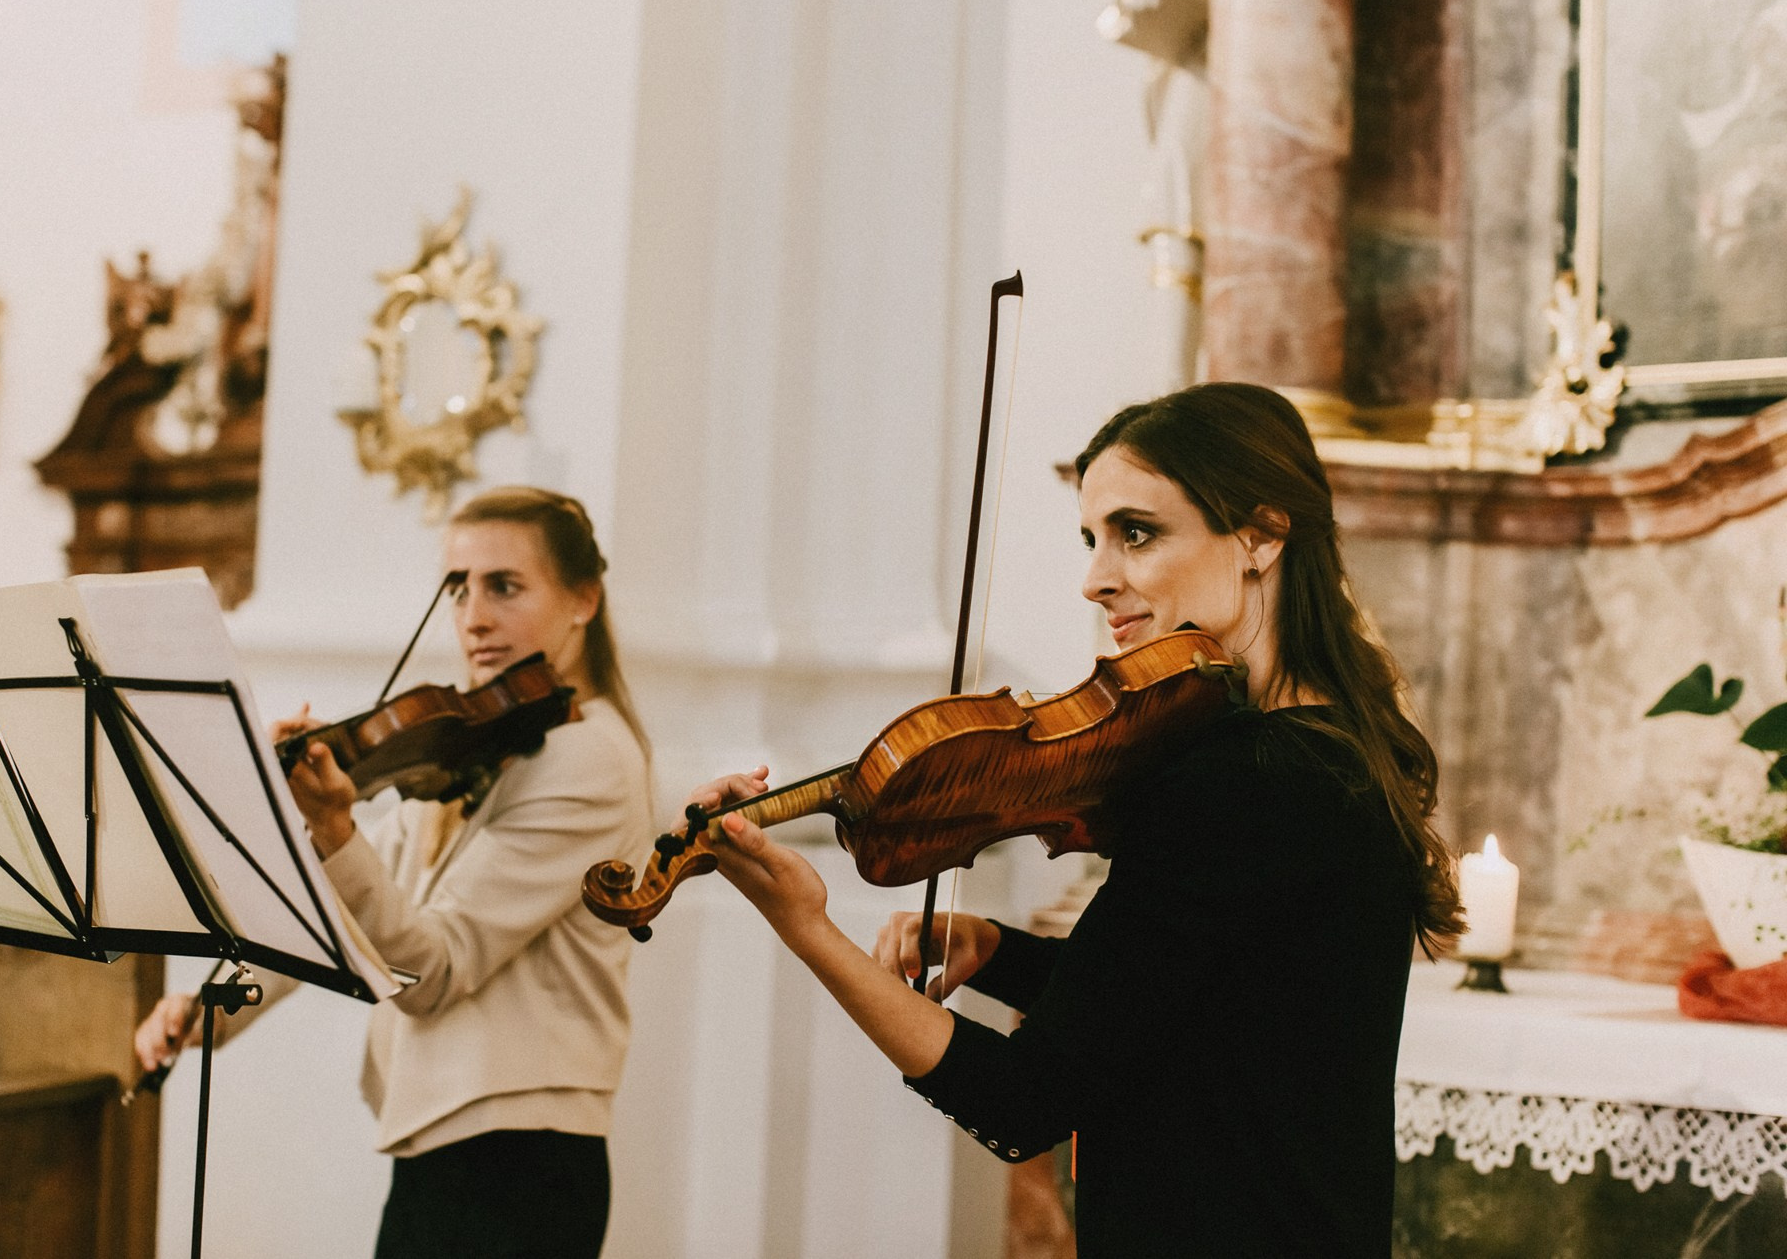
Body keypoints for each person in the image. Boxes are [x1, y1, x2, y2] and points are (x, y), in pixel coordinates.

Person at [690, 382, 1464, 1257]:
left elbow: (1027, 1100)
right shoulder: (1330, 753)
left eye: (1137, 533)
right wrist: (997, 951)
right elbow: (1189, 1005)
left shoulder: (1240, 780)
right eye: (1093, 538)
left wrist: (808, 928)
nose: (1096, 578)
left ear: (1260, 536)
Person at [135, 486, 653, 1259]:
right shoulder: (469, 741)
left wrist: (337, 827)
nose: (473, 616)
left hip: (520, 1160)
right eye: (458, 587)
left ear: (583, 599)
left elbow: (433, 970)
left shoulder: (589, 759)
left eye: (504, 586)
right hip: (449, 1149)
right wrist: (217, 1001)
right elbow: (358, 904)